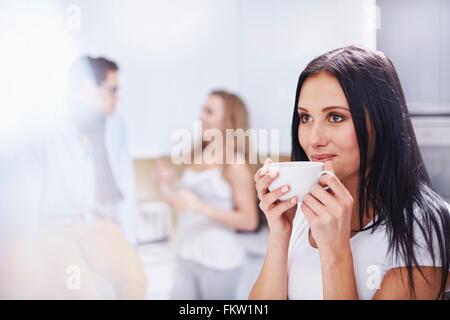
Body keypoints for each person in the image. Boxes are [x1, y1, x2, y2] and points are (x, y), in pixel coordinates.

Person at [250, 45, 450, 300]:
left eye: (335, 117)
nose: (314, 139)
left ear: (380, 120)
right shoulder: (304, 211)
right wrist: (280, 234)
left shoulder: (423, 225)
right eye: (305, 118)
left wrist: (335, 251)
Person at [154, 90, 259, 299]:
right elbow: (182, 204)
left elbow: (249, 221)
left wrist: (202, 208)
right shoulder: (197, 154)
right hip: (186, 253)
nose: (201, 116)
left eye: (209, 111)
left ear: (227, 121)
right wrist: (163, 186)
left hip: (218, 260)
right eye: (203, 109)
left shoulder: (235, 164)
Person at [67, 56, 139, 244]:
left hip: (112, 214)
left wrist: (130, 237)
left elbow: (126, 180)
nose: (117, 97)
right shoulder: (63, 129)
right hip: (76, 223)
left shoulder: (117, 124)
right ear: (89, 88)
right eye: (112, 90)